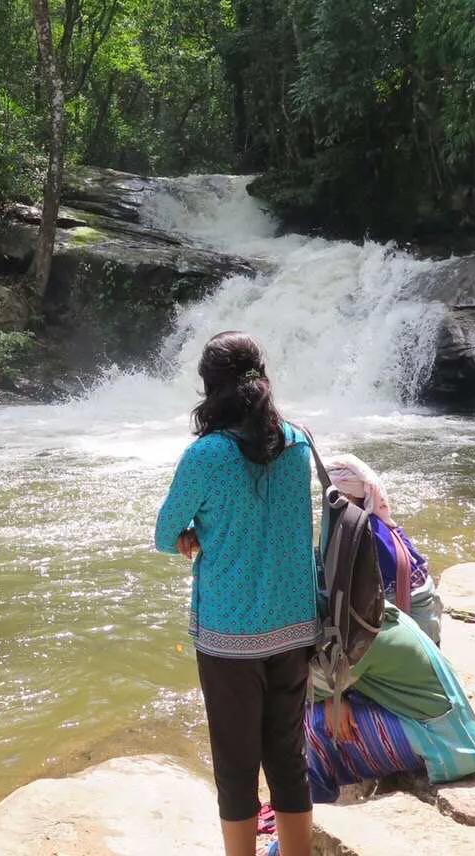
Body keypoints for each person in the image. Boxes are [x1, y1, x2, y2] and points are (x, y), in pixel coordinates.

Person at [154, 331, 317, 856]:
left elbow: (164, 533)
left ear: (210, 387)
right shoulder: (298, 441)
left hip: (229, 634)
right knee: (288, 758)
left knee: (235, 764)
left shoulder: (206, 455)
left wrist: (195, 534)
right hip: (294, 624)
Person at [302, 605, 475, 804]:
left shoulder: (360, 639)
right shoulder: (368, 613)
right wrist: (333, 698)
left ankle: (312, 811)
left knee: (307, 722)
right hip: (440, 726)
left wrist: (331, 698)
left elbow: (304, 690)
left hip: (441, 742)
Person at [325, 454, 443, 643]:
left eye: (331, 495)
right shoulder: (377, 518)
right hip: (427, 609)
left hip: (413, 618)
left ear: (347, 496)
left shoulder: (361, 528)